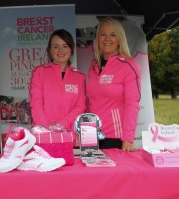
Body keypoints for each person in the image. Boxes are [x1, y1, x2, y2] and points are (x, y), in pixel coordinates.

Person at [86, 17, 141, 152]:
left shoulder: (128, 65)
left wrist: (127, 139)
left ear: (120, 39)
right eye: (103, 34)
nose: (107, 39)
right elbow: (90, 102)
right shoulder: (93, 65)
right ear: (97, 38)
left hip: (115, 137)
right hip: (91, 136)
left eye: (113, 35)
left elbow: (132, 104)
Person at [29, 29, 86, 131]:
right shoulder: (39, 72)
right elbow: (36, 104)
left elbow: (80, 107)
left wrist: (61, 125)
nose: (60, 51)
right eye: (56, 47)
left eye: (65, 46)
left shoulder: (79, 77)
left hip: (69, 134)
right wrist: (48, 127)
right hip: (44, 133)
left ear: (71, 49)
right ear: (50, 50)